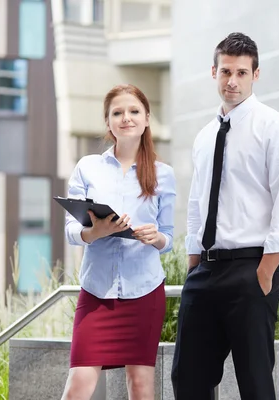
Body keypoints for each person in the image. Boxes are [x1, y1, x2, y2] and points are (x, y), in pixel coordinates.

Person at [171, 32, 279, 400]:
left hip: (252, 269)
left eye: (242, 73)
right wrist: (193, 264)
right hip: (206, 272)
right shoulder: (204, 136)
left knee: (255, 384)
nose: (232, 81)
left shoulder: (275, 128)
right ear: (213, 72)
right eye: (226, 71)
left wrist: (265, 271)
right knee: (188, 380)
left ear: (255, 75)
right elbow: (198, 205)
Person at [61, 84, 176, 400]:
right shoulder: (88, 167)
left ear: (147, 118)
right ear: (108, 122)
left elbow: (170, 237)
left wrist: (157, 237)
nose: (126, 118)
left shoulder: (163, 174)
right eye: (118, 113)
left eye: (134, 111)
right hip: (97, 291)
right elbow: (71, 229)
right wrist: (94, 233)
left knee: (140, 387)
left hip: (145, 291)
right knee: (78, 387)